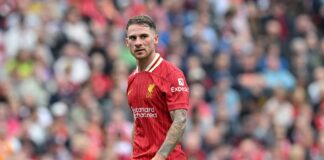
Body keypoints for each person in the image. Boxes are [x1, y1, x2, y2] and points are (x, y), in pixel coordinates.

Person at [125, 15, 189, 160]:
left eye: (143, 36)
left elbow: (180, 120)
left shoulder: (172, 74)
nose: (138, 43)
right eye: (133, 38)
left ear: (156, 39)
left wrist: (160, 156)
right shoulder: (131, 79)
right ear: (126, 42)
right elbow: (138, 122)